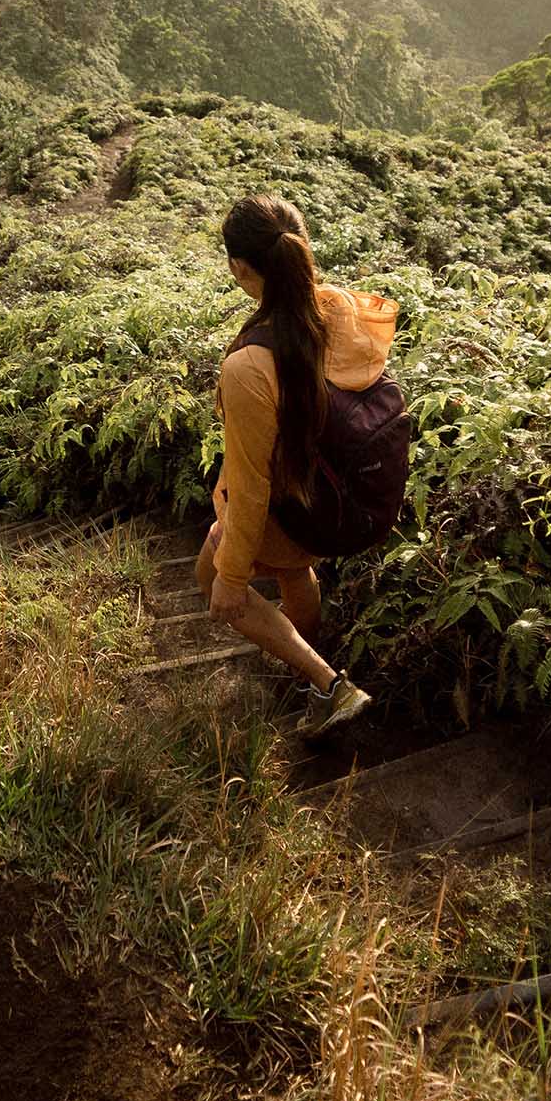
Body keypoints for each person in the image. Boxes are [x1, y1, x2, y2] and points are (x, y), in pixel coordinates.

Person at [197, 194, 396, 740]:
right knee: (284, 570)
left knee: (214, 570)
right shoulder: (340, 308)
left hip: (297, 507)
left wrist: (233, 579)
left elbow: (251, 483)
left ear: (240, 269)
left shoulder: (248, 367)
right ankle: (305, 667)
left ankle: (329, 684)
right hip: (343, 498)